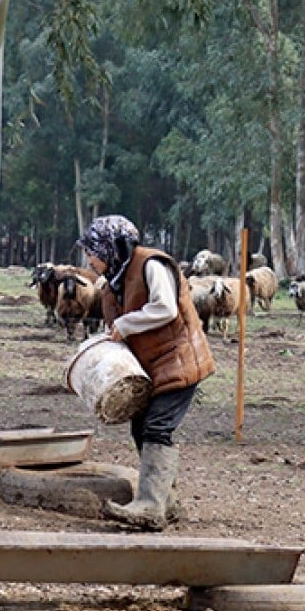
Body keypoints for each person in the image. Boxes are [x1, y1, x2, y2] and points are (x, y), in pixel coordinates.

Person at [78, 215, 215, 531]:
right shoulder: (114, 281)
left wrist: (124, 325)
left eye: (93, 251)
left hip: (179, 358)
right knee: (141, 428)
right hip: (150, 366)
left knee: (157, 426)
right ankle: (165, 501)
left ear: (113, 248)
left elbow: (165, 308)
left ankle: (151, 506)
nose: (90, 259)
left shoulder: (151, 265)